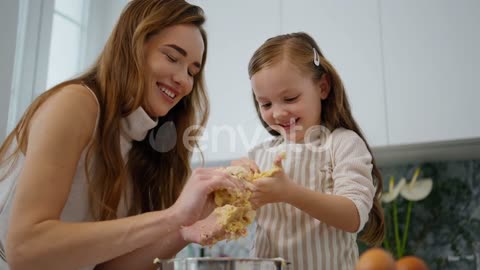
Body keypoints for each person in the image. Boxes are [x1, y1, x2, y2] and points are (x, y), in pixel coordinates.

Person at [0, 1, 243, 269]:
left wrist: (186, 227)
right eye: (172, 58)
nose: (184, 81)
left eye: (192, 71)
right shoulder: (76, 103)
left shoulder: (145, 140)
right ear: (132, 47)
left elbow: (109, 266)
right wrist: (172, 216)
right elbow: (25, 249)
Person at [233, 32, 385, 270]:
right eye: (266, 104)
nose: (279, 113)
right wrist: (232, 180)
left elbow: (353, 217)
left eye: (290, 98)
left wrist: (289, 193)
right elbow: (228, 214)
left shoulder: (343, 144)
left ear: (323, 87)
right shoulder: (258, 155)